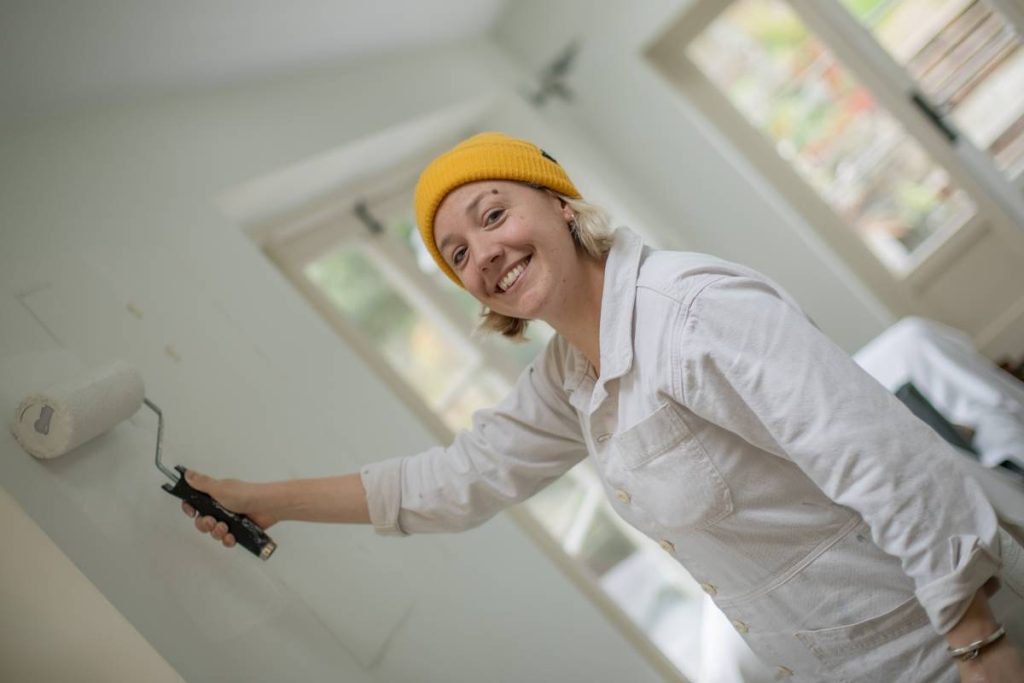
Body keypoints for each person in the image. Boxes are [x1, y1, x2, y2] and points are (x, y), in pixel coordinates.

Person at [181, 132, 1024, 682]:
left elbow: (882, 455)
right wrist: (262, 500)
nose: (485, 254)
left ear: (558, 201)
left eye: (493, 212)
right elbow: (448, 481)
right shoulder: (569, 378)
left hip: (949, 645)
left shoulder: (690, 310)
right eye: (458, 253)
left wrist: (978, 640)